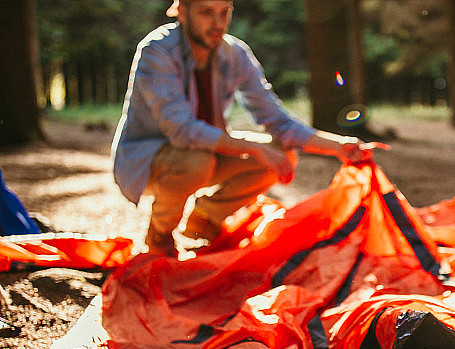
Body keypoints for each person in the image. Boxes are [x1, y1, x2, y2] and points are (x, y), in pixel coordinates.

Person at [111, 0, 381, 256]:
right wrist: (255, 148)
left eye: (224, 12)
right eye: (206, 12)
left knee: (281, 156)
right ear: (182, 11)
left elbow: (277, 120)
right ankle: (159, 237)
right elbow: (183, 131)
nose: (218, 23)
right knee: (200, 161)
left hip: (206, 154)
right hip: (148, 161)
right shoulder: (156, 50)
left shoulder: (235, 54)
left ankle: (205, 219)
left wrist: (338, 145)